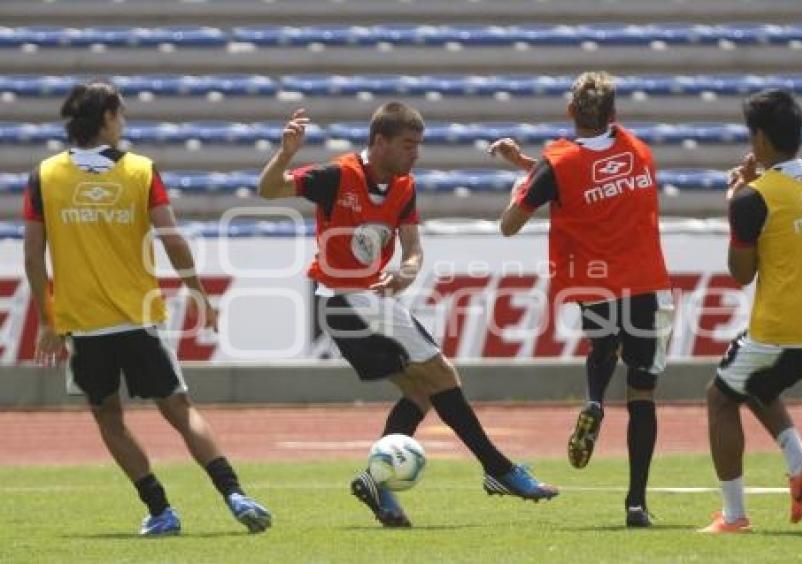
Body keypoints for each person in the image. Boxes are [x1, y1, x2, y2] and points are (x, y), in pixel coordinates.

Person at [257, 102, 558, 528]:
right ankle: (499, 470)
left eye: (418, 146)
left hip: (365, 302)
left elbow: (413, 248)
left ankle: (379, 484)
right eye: (407, 145)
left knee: (422, 393)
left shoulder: (403, 186)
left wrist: (407, 272)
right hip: (346, 298)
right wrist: (286, 153)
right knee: (442, 374)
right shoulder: (337, 176)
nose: (415, 154)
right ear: (379, 142)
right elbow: (268, 190)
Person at [23, 82, 271, 536]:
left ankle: (160, 510)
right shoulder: (140, 170)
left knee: (109, 419)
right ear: (106, 118)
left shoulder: (44, 175)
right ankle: (234, 492)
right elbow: (172, 238)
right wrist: (197, 291)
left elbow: (33, 255)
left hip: (84, 324)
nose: (124, 121)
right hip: (139, 317)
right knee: (179, 408)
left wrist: (46, 319)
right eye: (120, 114)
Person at [490, 71, 673, 527]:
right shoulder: (638, 151)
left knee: (602, 347)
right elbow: (595, 170)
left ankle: (593, 400)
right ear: (615, 114)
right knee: (642, 393)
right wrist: (531, 166)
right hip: (647, 282)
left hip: (593, 281)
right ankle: (636, 503)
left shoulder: (557, 164)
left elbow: (510, 223)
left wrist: (524, 175)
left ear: (571, 111)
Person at [698, 90, 802, 533]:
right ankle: (801, 466)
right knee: (758, 383)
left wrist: (735, 202)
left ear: (759, 139)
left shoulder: (753, 200)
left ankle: (734, 516)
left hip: (785, 330)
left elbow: (740, 273)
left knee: (720, 397)